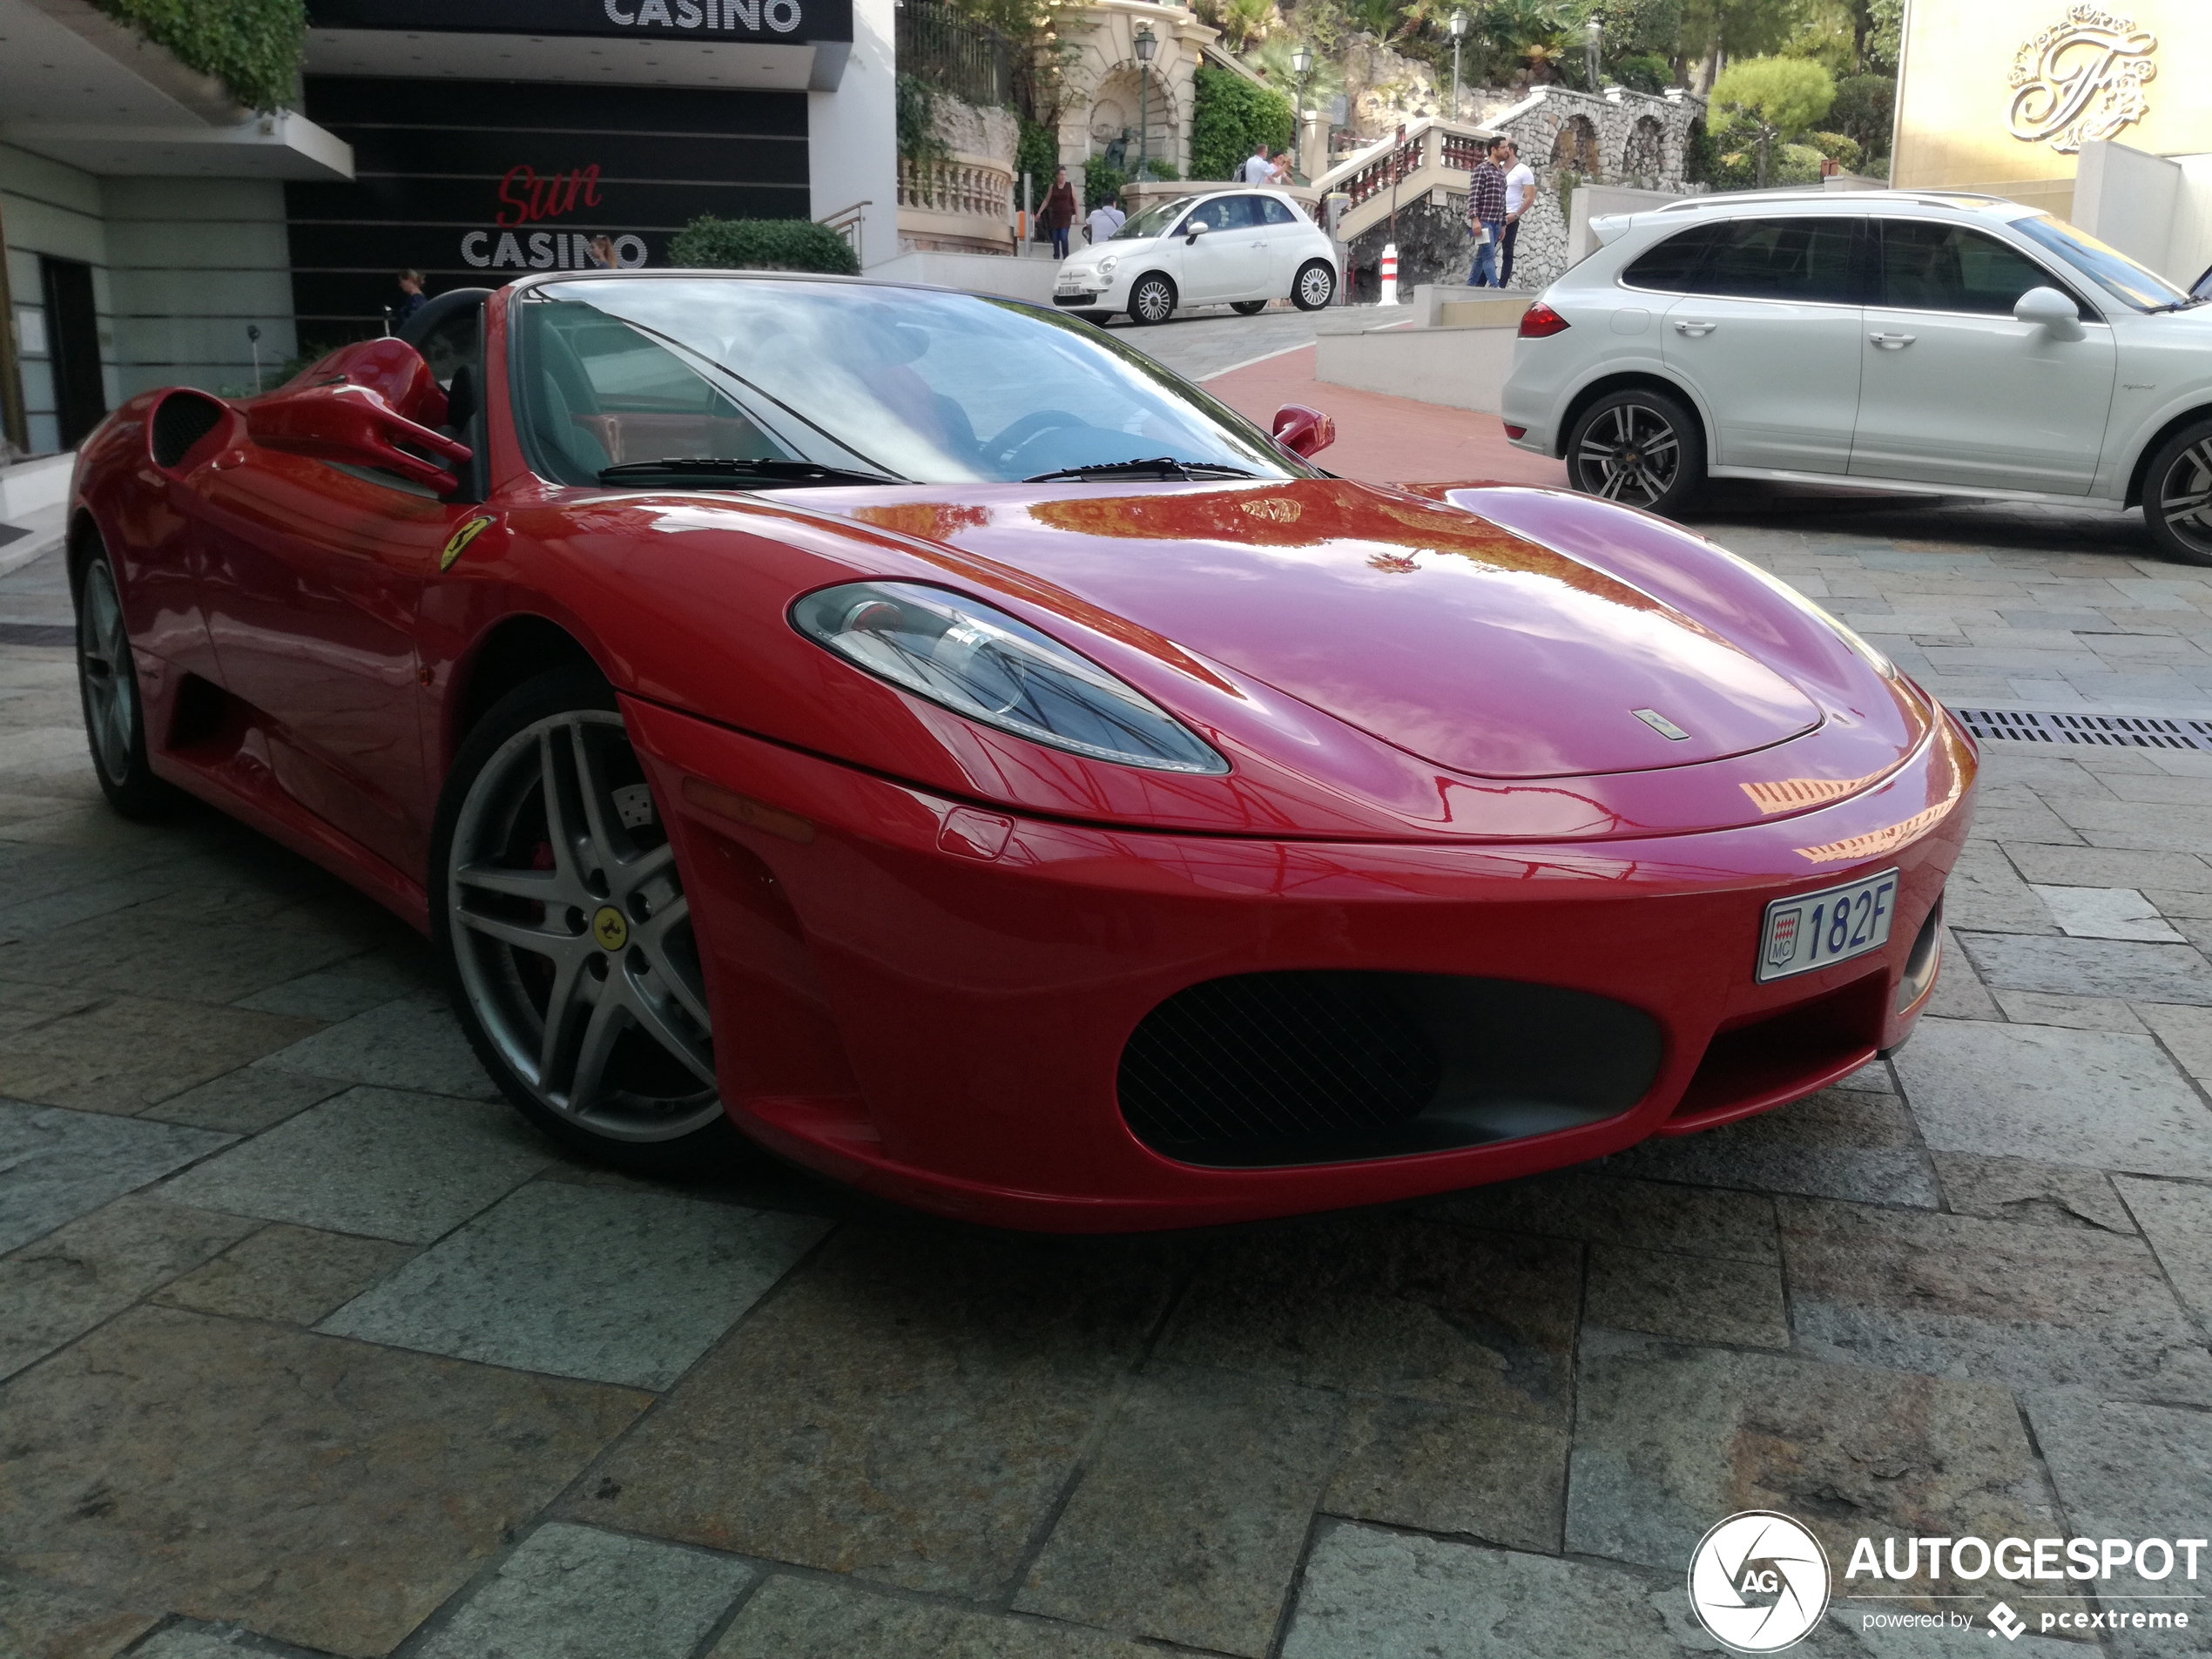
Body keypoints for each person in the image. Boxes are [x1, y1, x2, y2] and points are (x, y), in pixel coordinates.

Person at [1466, 141, 1507, 287]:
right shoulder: (1481, 170)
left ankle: (1470, 286)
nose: (1506, 150)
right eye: (1503, 147)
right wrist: (1475, 220)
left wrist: (1503, 225)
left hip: (1496, 223)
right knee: (1489, 257)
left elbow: (1503, 200)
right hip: (1484, 221)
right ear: (1493, 149)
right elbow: (1474, 195)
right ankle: (1496, 287)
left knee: (1481, 257)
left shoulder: (1501, 174)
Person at [1497, 139, 1534, 288]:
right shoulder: (1497, 168)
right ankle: (1481, 283)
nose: (1503, 151)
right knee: (1486, 249)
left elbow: (1530, 197)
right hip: (1494, 213)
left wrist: (1516, 214)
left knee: (1507, 251)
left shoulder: (1523, 170)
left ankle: (1502, 285)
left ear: (1511, 151)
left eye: (1506, 149)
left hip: (1511, 214)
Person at [1042, 166, 1080, 260]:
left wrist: (1077, 215)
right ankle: (1056, 256)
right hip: (1055, 215)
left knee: (1063, 237)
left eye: (1065, 175)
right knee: (1055, 238)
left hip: (1066, 216)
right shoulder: (1053, 187)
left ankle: (1066, 256)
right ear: (1057, 176)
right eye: (1061, 175)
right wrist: (1039, 212)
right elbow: (1047, 200)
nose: (1063, 177)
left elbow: (1075, 200)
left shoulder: (1070, 186)